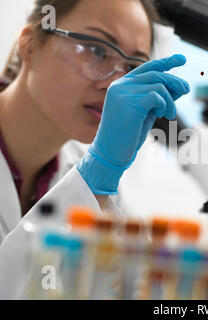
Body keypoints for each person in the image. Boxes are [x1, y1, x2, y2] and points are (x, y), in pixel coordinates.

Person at [0, 0, 190, 298]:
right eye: (97, 50)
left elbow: (131, 286)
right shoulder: (92, 175)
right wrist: (94, 176)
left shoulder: (89, 175)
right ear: (29, 44)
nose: (115, 84)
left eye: (131, 67)